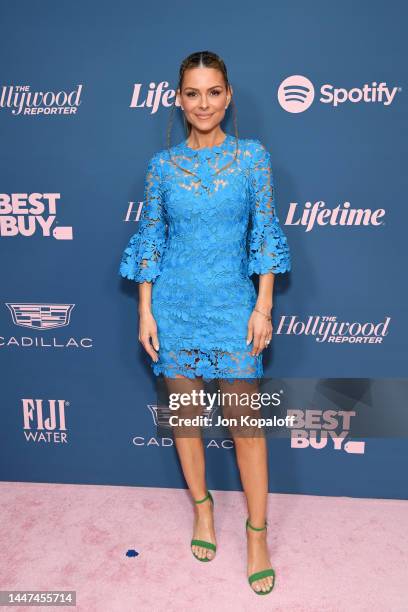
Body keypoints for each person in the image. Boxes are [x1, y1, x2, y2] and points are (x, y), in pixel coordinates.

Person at [119, 50, 291, 595]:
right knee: (187, 421)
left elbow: (264, 232)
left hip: (234, 312)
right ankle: (202, 508)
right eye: (192, 94)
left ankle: (257, 534)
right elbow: (152, 239)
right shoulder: (162, 166)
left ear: (229, 95)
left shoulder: (253, 159)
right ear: (178, 99)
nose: (203, 104)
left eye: (213, 92)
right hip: (174, 310)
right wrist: (146, 310)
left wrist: (263, 307)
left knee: (247, 429)